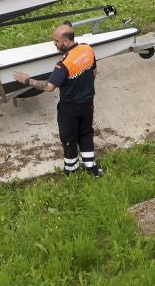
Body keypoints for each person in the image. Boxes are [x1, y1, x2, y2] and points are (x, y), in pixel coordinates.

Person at [14, 23, 102, 176]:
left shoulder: (64, 64)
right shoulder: (87, 49)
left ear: (66, 41)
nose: (54, 43)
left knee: (69, 138)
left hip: (69, 108)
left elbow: (49, 87)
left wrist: (27, 81)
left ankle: (71, 170)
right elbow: (94, 72)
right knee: (86, 133)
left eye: (56, 41)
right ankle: (91, 167)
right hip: (87, 103)